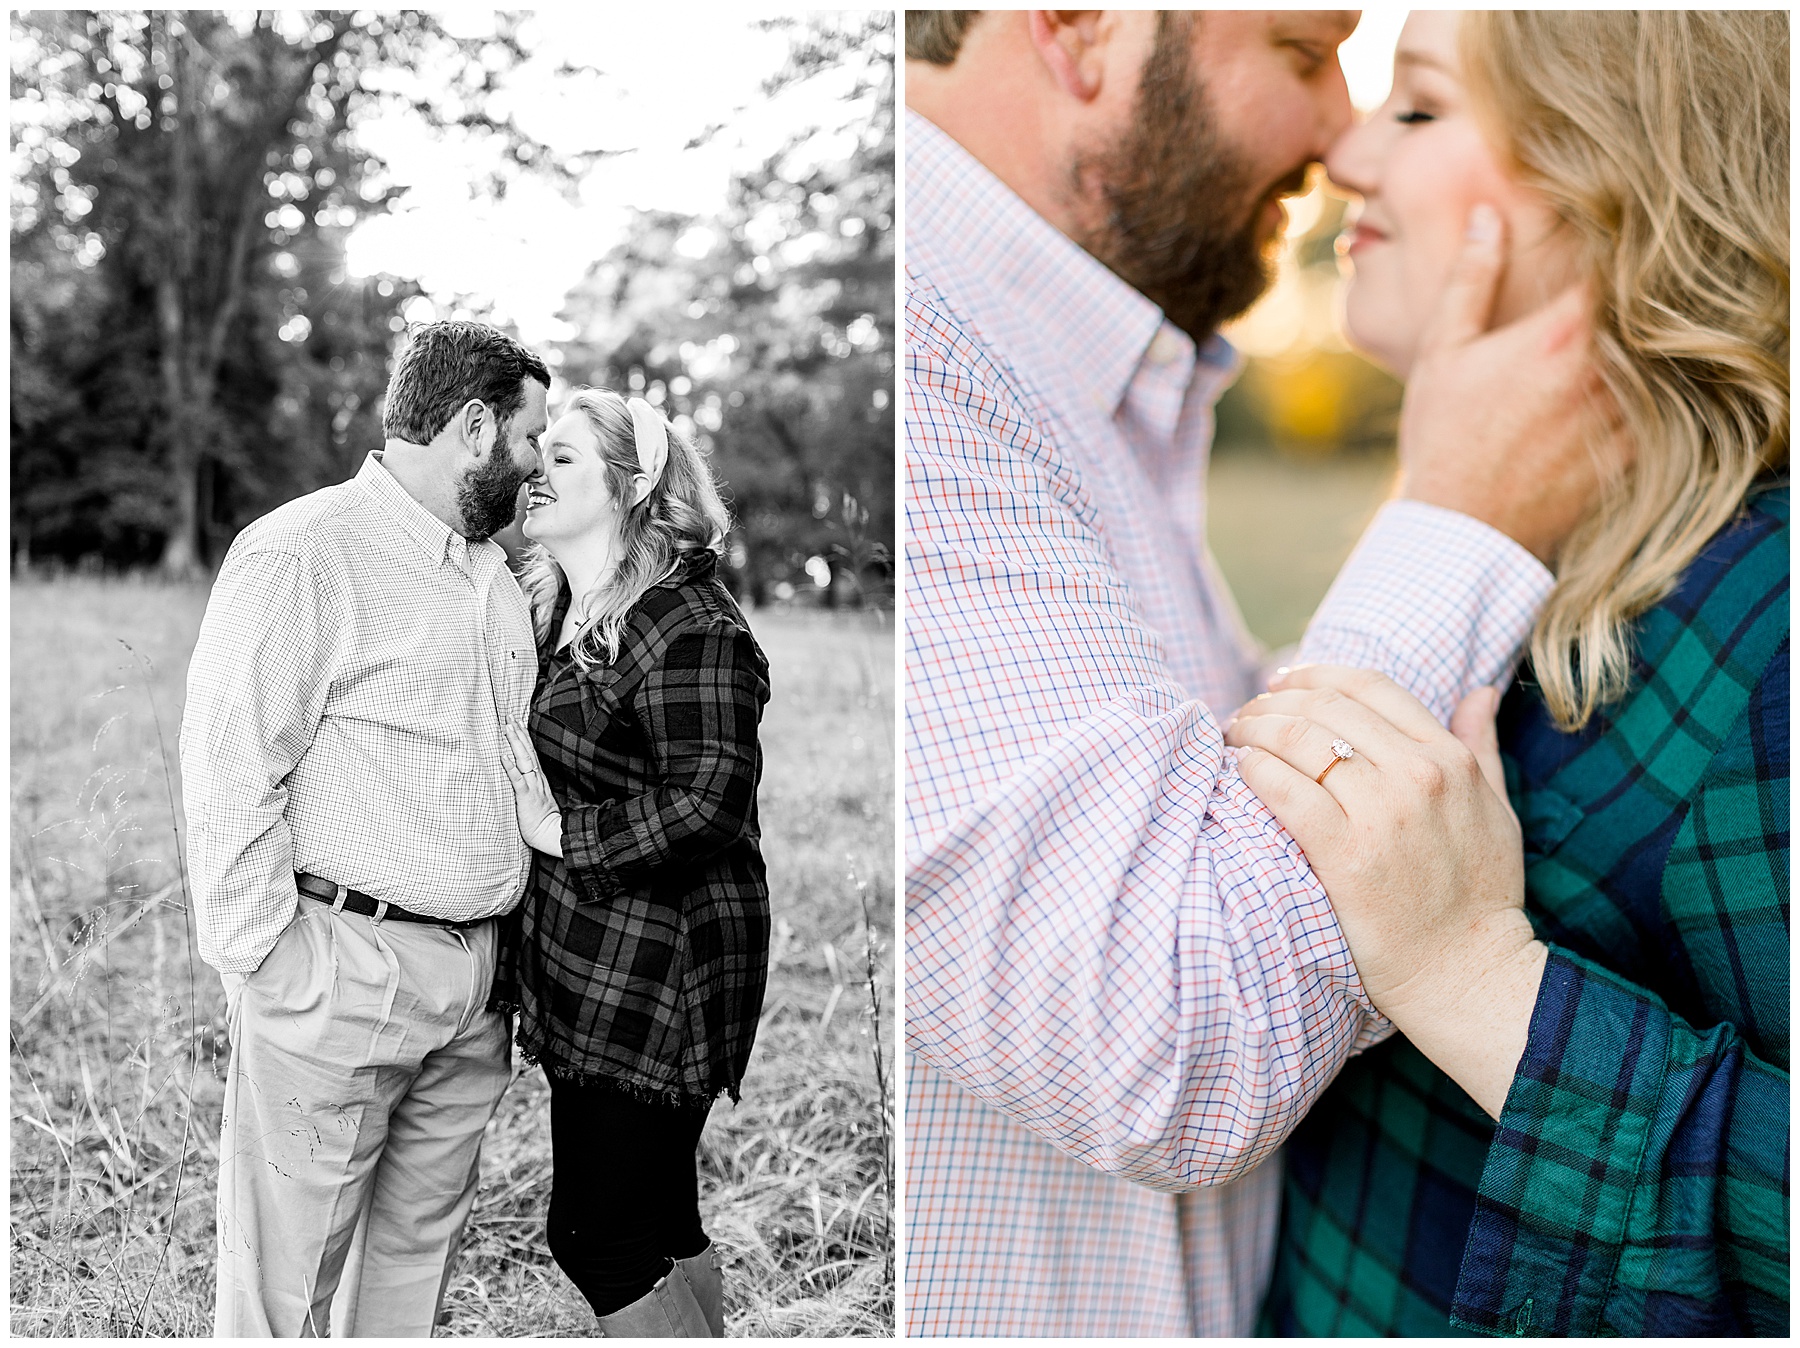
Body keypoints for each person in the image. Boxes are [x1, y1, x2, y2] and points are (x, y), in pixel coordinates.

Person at [902, 9, 1625, 1336]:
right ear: (1076, 29)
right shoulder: (932, 368)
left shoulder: (1076, 380)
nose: (1342, 133)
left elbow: (1192, 818)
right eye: (1303, 52)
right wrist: (1463, 509)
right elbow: (1172, 1038)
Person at [1225, 10, 1788, 1335]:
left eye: (1416, 109)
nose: (1348, 153)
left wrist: (1479, 980)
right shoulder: (1549, 557)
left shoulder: (1772, 625)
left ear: (1615, 184)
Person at [180, 320, 550, 1336]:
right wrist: (270, 960)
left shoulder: (495, 578)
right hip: (338, 973)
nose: (534, 470)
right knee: (285, 1288)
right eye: (528, 440)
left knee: (410, 1272)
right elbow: (229, 765)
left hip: (474, 990)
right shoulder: (305, 552)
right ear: (474, 426)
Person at [493, 389, 771, 1337]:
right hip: (590, 954)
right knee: (659, 1217)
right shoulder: (557, 605)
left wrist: (563, 836)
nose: (537, 471)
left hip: (666, 967)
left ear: (633, 485)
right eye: (543, 453)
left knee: (598, 1236)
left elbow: (710, 800)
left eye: (564, 459)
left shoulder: (690, 621)